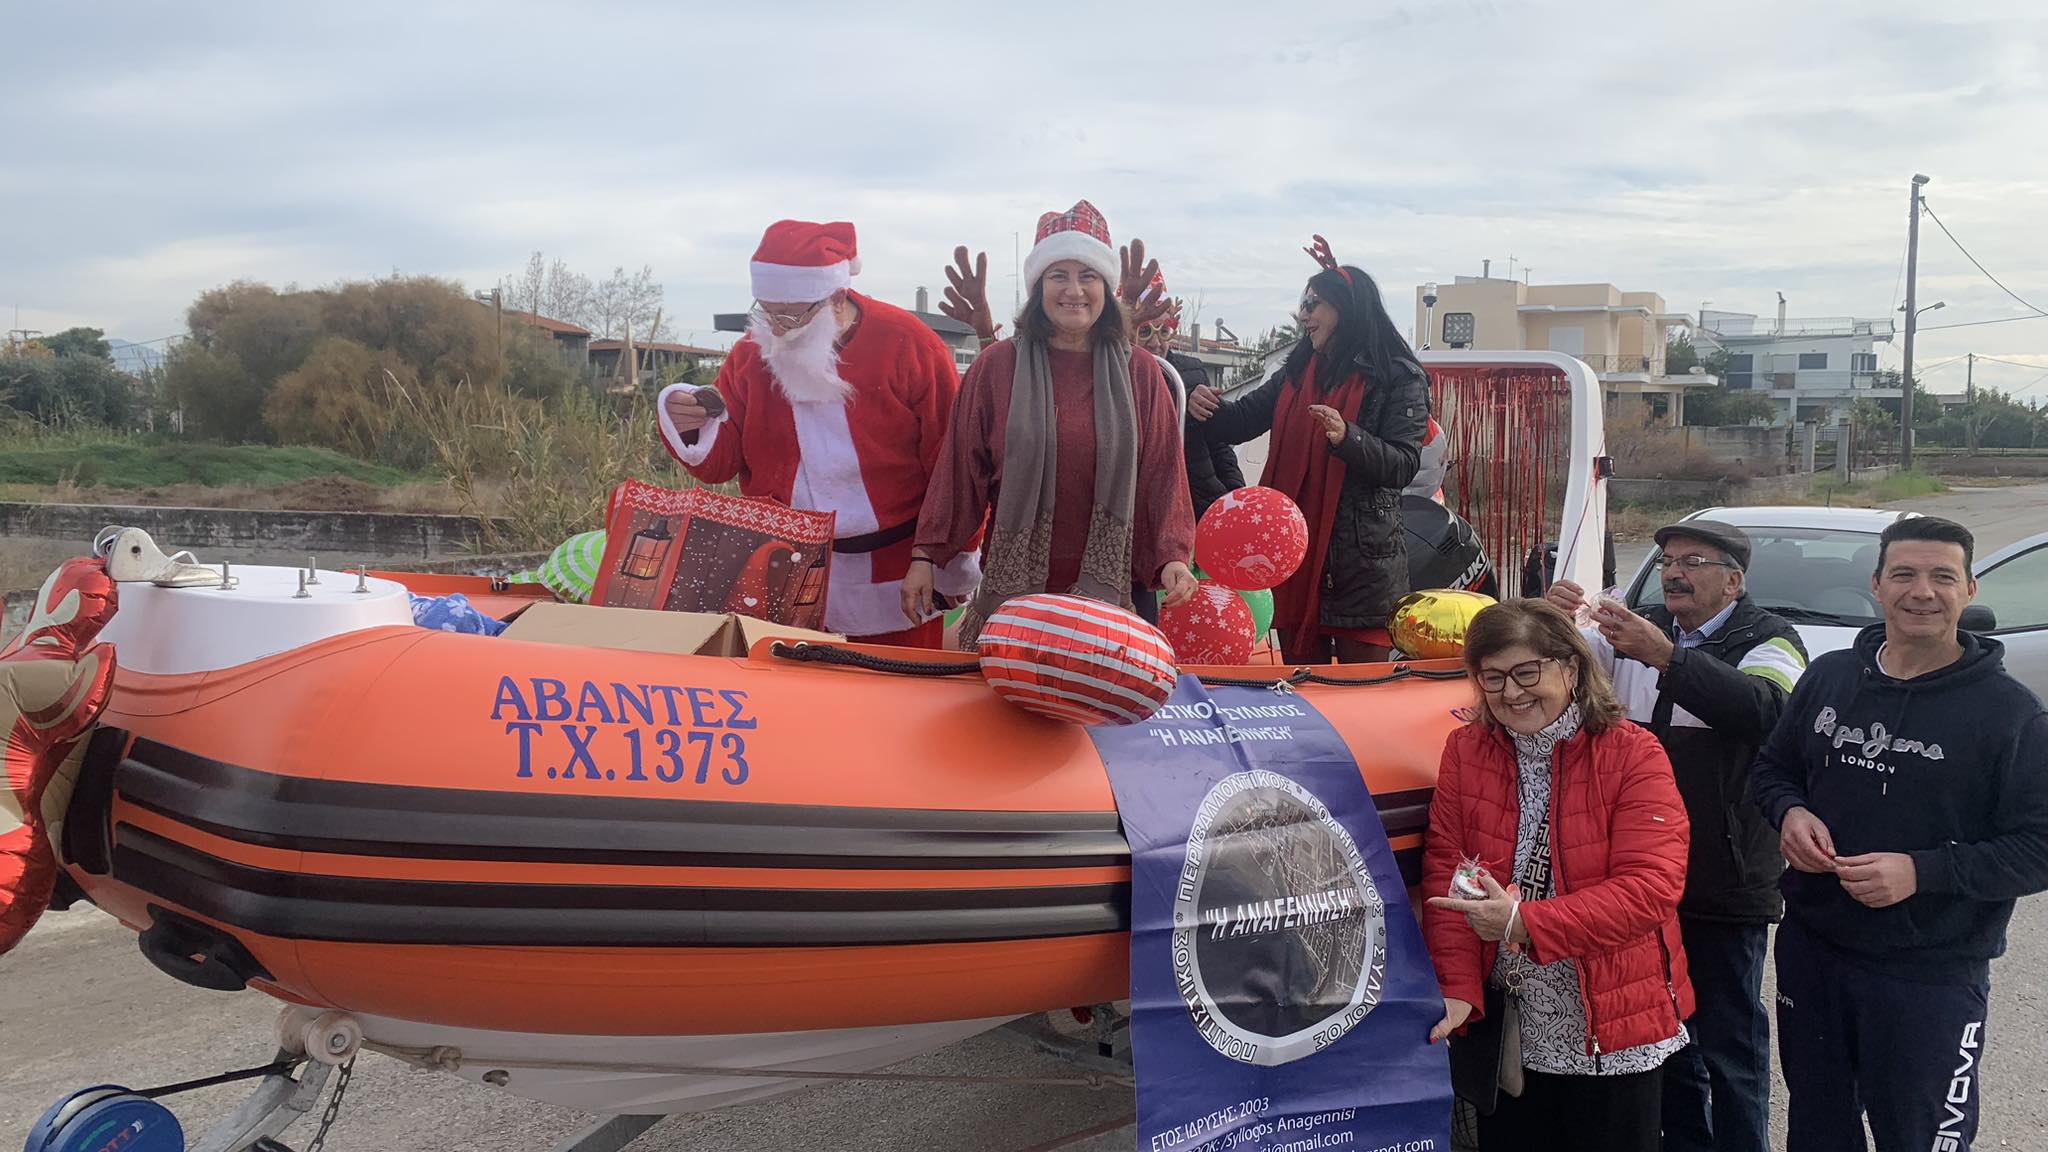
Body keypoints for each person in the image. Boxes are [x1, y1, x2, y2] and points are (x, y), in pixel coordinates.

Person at [1749, 515, 2048, 1152]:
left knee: (1920, 1137)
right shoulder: (1830, 678)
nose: (1922, 591)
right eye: (1905, 574)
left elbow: (2038, 848)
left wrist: (1923, 871)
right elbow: (1773, 768)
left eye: (1943, 576)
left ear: (1969, 590)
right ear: (1877, 586)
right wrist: (1790, 813)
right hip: (1814, 951)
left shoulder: (2012, 715)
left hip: (1930, 975)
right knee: (1818, 1128)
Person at [1544, 520, 1807, 1152]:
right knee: (1666, 1040)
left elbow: (1765, 712)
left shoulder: (1772, 638)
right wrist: (1547, 619)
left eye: (1693, 561)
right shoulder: (1635, 626)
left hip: (1721, 879)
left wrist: (1666, 655)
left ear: (1733, 581)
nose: (1674, 573)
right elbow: (1554, 678)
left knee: (1729, 1047)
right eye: (1665, 562)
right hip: (1638, 881)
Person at [1423, 598, 1693, 1152]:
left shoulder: (1633, 753)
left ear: (1570, 668)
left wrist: (1523, 922)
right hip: (1513, 1026)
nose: (1512, 692)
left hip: (1612, 1024)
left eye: (1528, 672)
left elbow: (1651, 889)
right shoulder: (1465, 750)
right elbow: (1450, 876)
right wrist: (1457, 989)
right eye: (1492, 677)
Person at [658, 219, 978, 647]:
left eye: (789, 315)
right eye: (766, 311)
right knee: (795, 700)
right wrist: (690, 424)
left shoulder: (909, 344)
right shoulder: (751, 355)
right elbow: (721, 462)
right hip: (782, 564)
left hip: (896, 567)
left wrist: (949, 556)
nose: (775, 328)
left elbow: (954, 464)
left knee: (903, 694)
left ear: (837, 298)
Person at [905, 201, 1198, 644]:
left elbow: (1163, 474)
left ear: (1106, 286)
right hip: (1015, 597)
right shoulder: (995, 367)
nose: (1074, 290)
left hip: (1117, 596)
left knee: (1104, 713)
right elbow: (959, 470)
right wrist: (926, 553)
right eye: (1058, 275)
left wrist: (1172, 556)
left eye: (1088, 276)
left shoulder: (1141, 372)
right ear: (1038, 287)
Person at [1189, 237, 1428, 663]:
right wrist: (1200, 405)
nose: (1303, 316)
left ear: (1346, 308)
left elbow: (1403, 465)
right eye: (1303, 304)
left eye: (1313, 304)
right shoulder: (1296, 373)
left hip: (1362, 568)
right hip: (1296, 561)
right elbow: (1240, 421)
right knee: (1304, 693)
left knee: (1363, 696)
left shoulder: (1399, 376)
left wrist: (1346, 437)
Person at [1132, 272, 1244, 519]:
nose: (1155, 342)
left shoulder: (1192, 370)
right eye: (1144, 331)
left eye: (1164, 331)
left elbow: (1218, 443)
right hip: (1141, 510)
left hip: (1199, 505)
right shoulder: (1115, 376)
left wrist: (1235, 492)